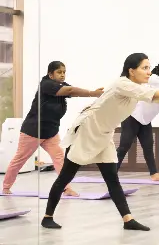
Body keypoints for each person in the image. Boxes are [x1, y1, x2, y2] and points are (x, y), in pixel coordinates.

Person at [41, 53, 159, 231]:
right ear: (131, 71)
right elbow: (155, 94)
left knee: (112, 178)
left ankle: (128, 220)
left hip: (104, 134)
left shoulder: (138, 86)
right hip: (87, 131)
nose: (148, 72)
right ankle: (48, 217)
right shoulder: (123, 84)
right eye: (144, 68)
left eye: (148, 67)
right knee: (66, 177)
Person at [2, 61, 103, 196]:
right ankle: (6, 187)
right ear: (50, 74)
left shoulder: (61, 85)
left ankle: (66, 188)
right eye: (59, 72)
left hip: (50, 132)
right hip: (33, 131)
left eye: (64, 72)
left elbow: (73, 91)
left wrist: (96, 95)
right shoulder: (46, 85)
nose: (62, 75)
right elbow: (71, 90)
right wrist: (93, 93)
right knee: (20, 159)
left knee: (60, 159)